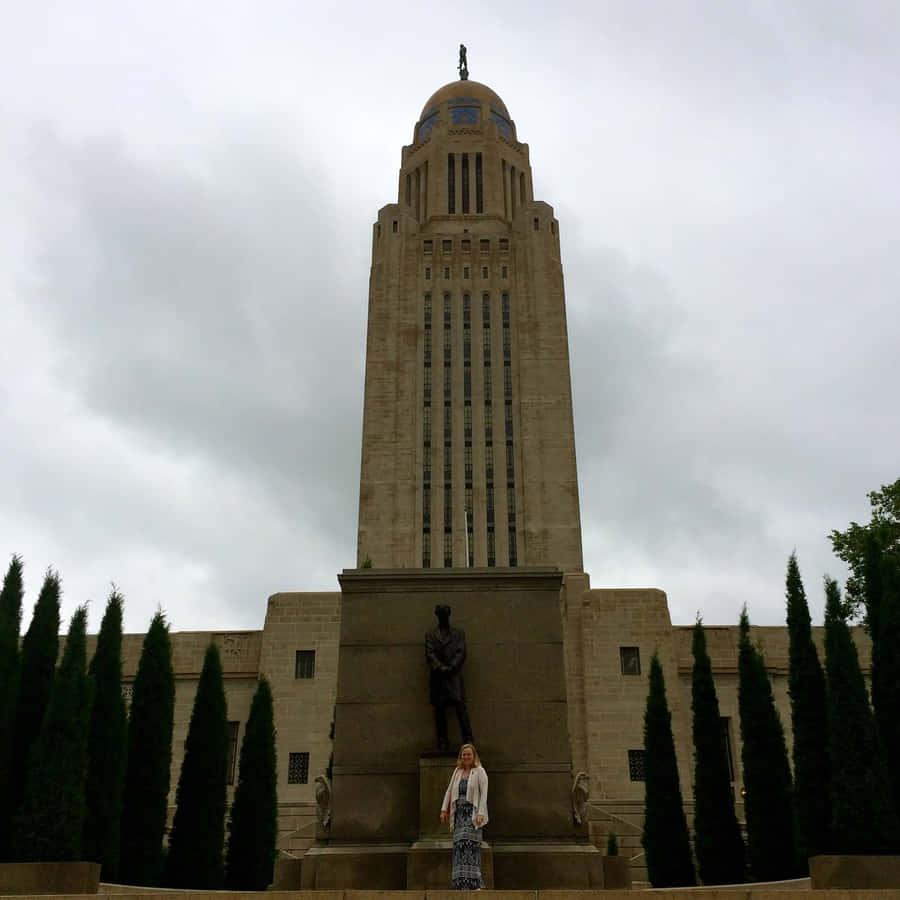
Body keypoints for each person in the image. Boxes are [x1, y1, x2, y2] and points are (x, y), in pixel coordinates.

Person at [440, 743, 488, 889]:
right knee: (459, 846)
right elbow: (449, 791)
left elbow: (484, 793)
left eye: (469, 754)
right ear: (461, 756)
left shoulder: (479, 771)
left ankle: (475, 884)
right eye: (464, 754)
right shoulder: (457, 771)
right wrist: (444, 810)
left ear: (473, 756)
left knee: (470, 846)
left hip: (472, 814)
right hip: (459, 815)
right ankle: (460, 884)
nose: (466, 757)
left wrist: (481, 812)